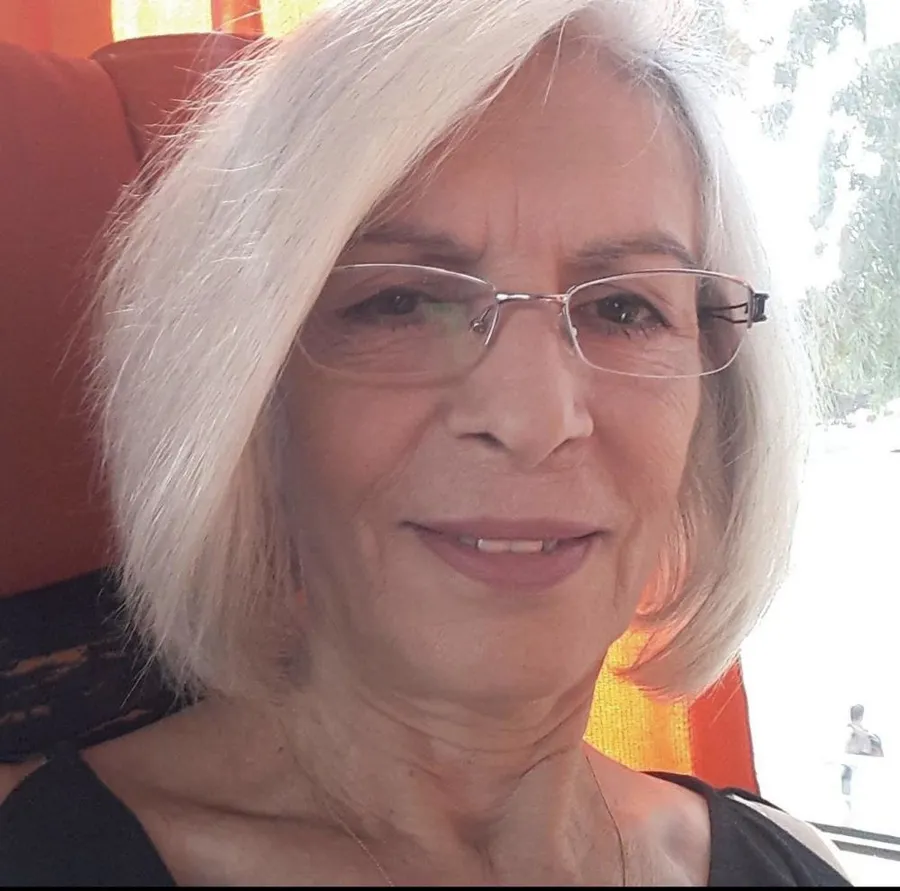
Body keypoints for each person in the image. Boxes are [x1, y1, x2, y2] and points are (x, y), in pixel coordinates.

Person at [0, 0, 851, 884]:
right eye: (403, 302)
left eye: (624, 308)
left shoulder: (794, 860)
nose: (533, 420)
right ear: (250, 402)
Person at [841, 704, 884, 820]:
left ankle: (849, 814)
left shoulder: (852, 730)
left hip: (850, 767)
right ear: (861, 716)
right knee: (852, 796)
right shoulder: (864, 732)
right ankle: (849, 814)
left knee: (848, 795)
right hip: (856, 767)